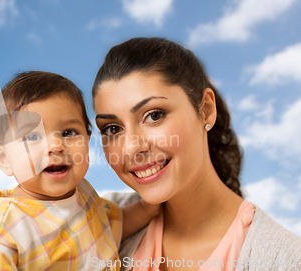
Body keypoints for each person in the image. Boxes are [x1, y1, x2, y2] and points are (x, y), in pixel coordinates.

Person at [92, 37, 301, 271]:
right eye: (112, 129)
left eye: (154, 115)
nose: (131, 148)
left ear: (206, 111)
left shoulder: (286, 261)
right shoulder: (96, 222)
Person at [0, 71, 161, 271]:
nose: (55, 146)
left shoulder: (83, 192)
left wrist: (146, 208)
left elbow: (111, 228)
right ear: (4, 158)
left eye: (69, 132)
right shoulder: (13, 223)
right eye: (32, 137)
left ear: (87, 140)